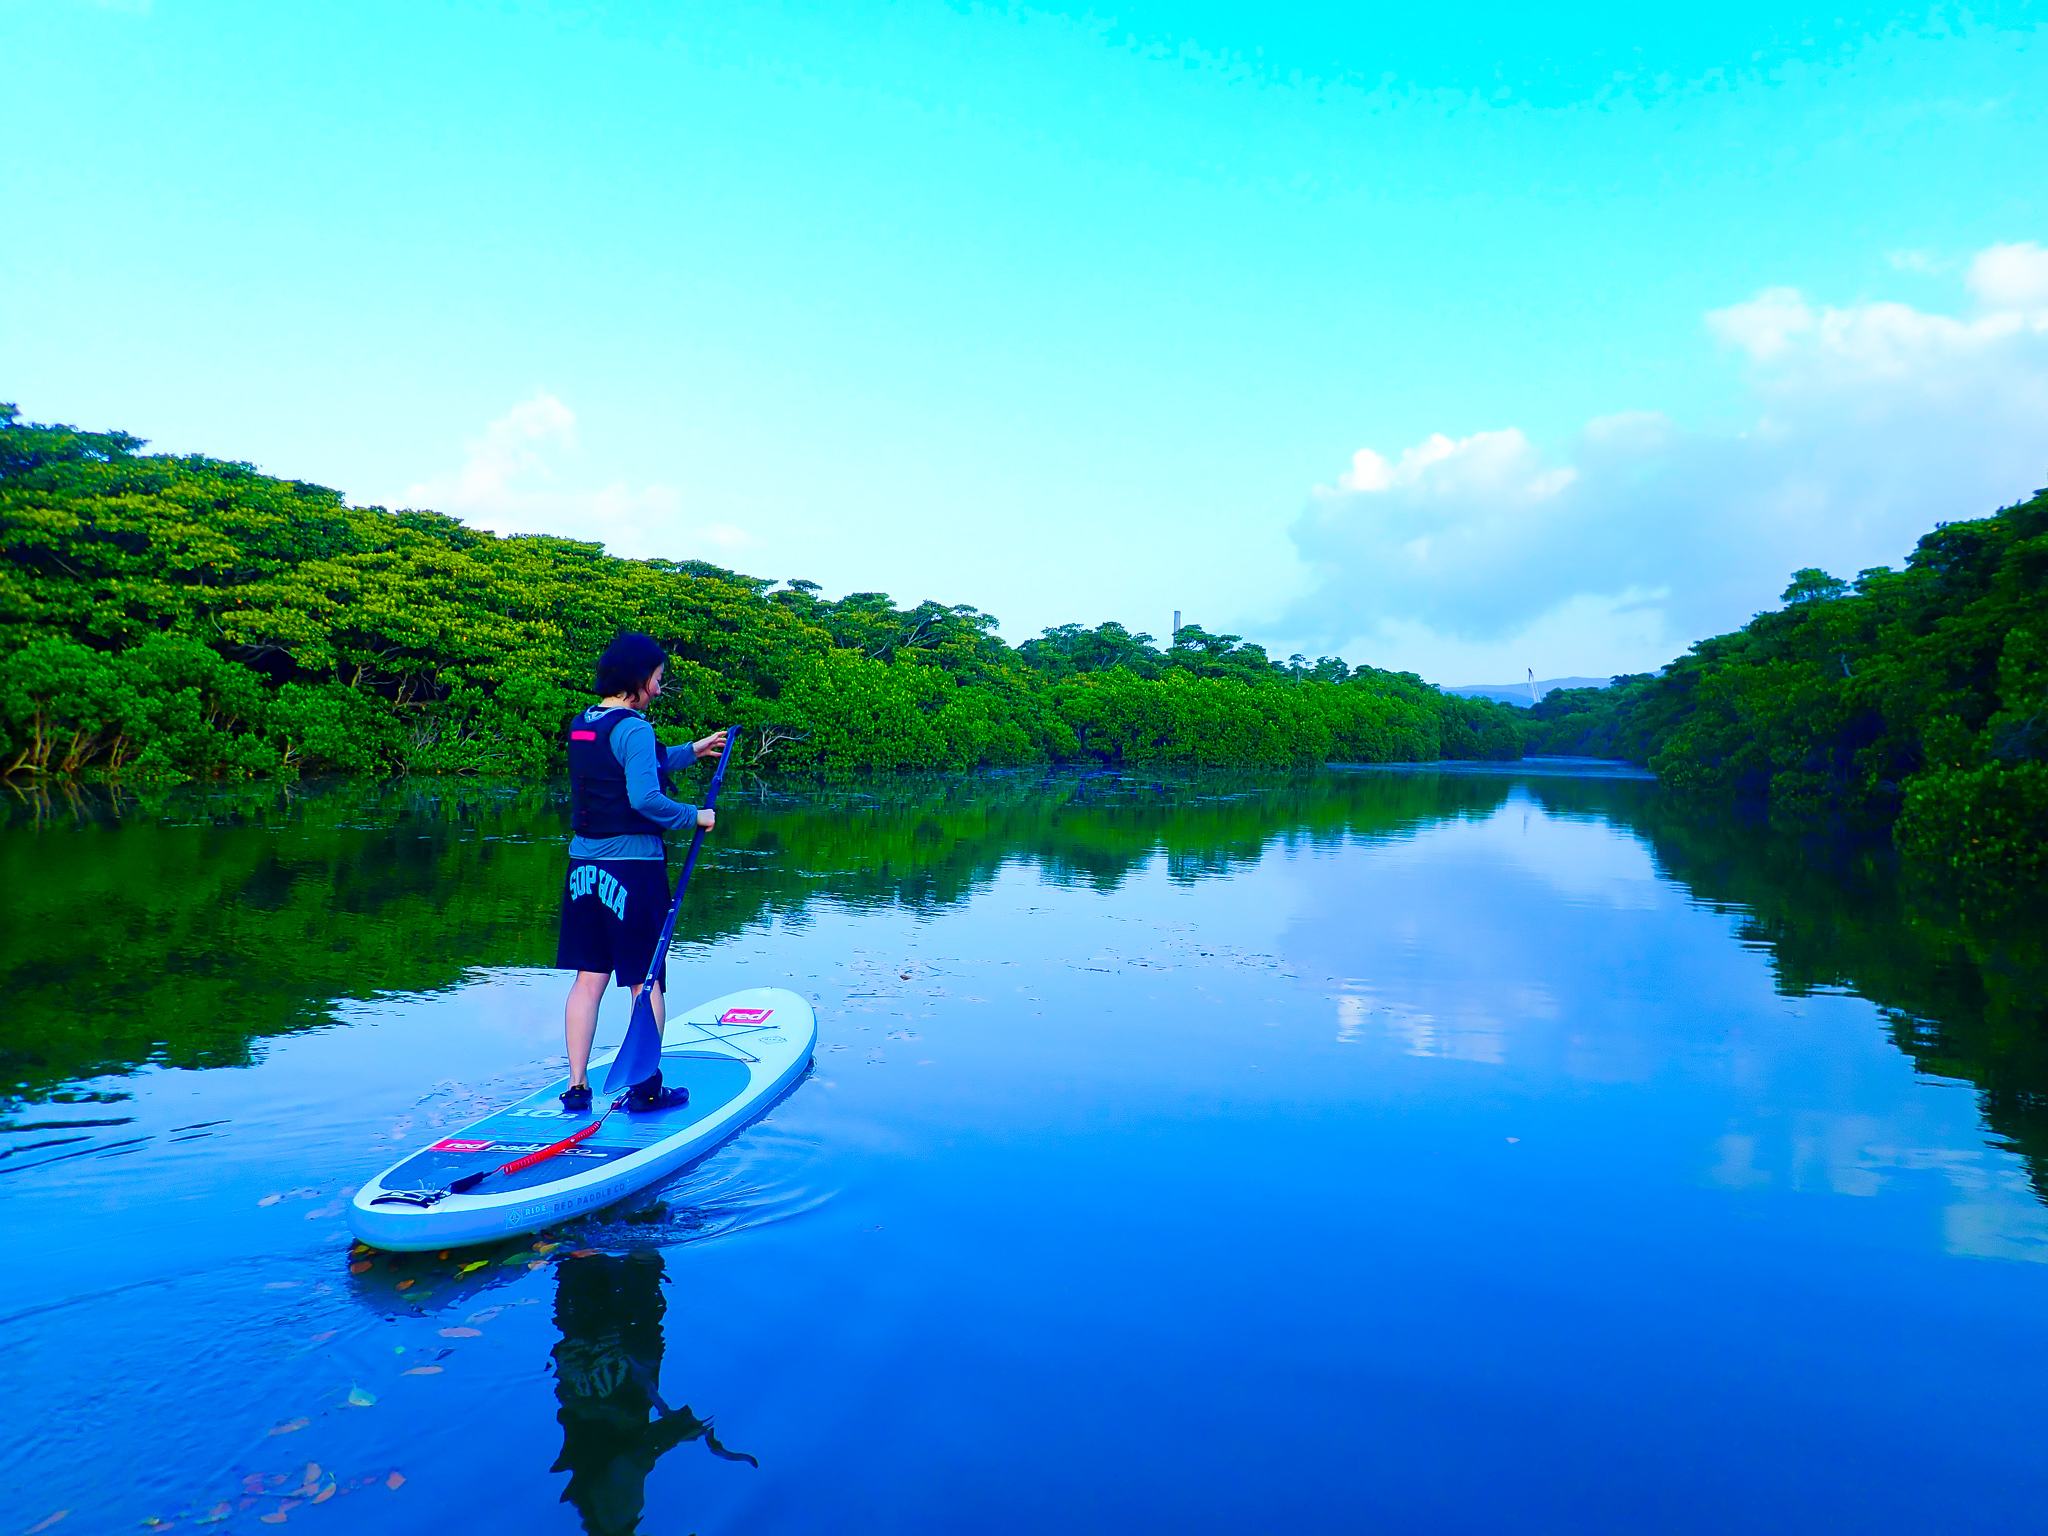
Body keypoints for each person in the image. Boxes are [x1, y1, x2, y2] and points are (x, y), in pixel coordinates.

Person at [557, 631, 727, 1113]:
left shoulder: (585, 723)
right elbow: (645, 798)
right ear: (639, 678)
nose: (659, 688)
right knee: (644, 981)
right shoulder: (635, 728)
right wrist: (695, 815)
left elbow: (634, 762)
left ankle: (576, 1088)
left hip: (583, 870)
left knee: (588, 979)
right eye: (657, 679)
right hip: (632, 870)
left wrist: (691, 750)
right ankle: (646, 1089)